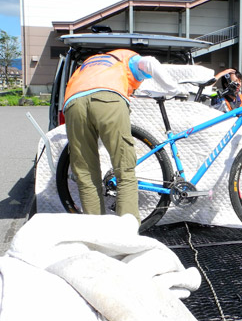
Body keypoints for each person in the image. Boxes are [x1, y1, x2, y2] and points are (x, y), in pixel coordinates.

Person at [63, 49, 178, 221]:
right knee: (124, 171)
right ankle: (127, 237)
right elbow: (150, 63)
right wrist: (173, 89)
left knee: (86, 174)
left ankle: (96, 236)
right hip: (108, 99)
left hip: (74, 103)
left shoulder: (89, 63)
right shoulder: (126, 57)